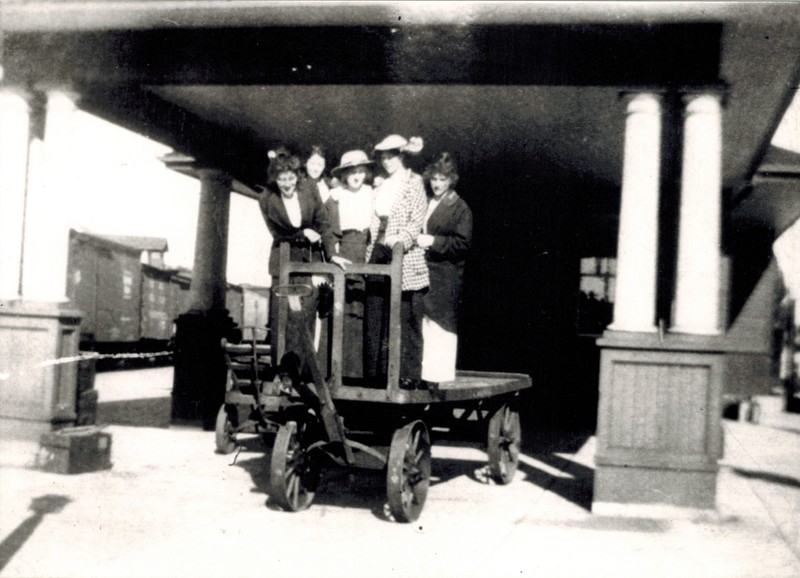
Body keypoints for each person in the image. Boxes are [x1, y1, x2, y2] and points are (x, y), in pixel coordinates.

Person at [258, 147, 345, 374]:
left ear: (297, 176)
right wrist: (302, 233)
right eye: (281, 179)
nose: (286, 184)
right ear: (274, 179)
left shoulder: (310, 190)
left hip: (308, 259)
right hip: (283, 258)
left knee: (305, 315)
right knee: (282, 316)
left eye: (290, 178)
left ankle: (302, 372)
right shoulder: (267, 199)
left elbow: (323, 224)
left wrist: (332, 253)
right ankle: (283, 371)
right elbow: (276, 233)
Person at [364, 134, 429, 389]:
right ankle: (375, 375)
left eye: (392, 156)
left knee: (405, 315)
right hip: (379, 248)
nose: (387, 160)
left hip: (404, 250)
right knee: (375, 312)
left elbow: (417, 218)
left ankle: (407, 375)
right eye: (383, 156)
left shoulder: (414, 182)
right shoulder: (380, 185)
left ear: (401, 156)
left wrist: (402, 238)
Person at [417, 152, 473, 384]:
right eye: (434, 179)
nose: (437, 184)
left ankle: (438, 379)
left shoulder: (460, 208)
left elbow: (462, 244)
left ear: (451, 180)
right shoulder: (428, 201)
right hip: (425, 271)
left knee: (441, 325)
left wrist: (432, 241)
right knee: (424, 323)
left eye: (442, 179)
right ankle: (424, 376)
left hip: (446, 275)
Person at [325, 150, 374, 379]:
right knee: (340, 308)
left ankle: (356, 373)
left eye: (360, 171)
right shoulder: (335, 197)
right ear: (344, 175)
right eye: (351, 172)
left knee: (360, 308)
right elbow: (329, 231)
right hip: (344, 252)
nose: (356, 175)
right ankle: (335, 371)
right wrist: (333, 254)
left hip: (366, 250)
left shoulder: (372, 194)